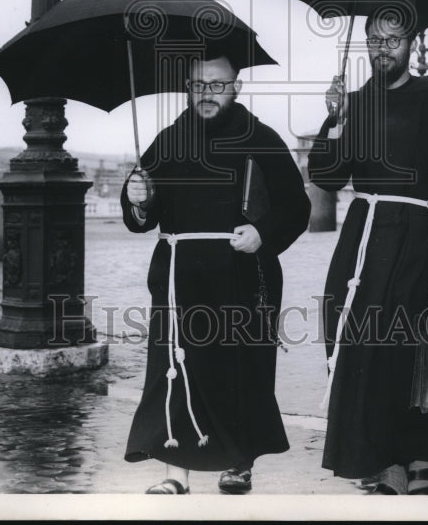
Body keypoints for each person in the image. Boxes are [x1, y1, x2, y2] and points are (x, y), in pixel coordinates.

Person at [308, 9, 428, 495]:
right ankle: (380, 456)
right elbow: (327, 177)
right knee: (357, 342)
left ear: (411, 44)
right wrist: (335, 121)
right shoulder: (356, 103)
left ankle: (424, 457)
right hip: (363, 238)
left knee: (413, 349)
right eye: (374, 40)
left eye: (393, 39)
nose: (383, 48)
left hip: (418, 240)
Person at [121, 53, 311, 495]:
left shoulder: (261, 138)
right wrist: (138, 199)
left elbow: (296, 207)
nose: (207, 93)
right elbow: (142, 217)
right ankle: (174, 472)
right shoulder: (168, 140)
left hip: (242, 272)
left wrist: (262, 233)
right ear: (188, 89)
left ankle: (238, 464)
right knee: (174, 368)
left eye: (217, 85)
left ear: (236, 88)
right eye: (198, 85)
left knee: (240, 373)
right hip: (178, 276)